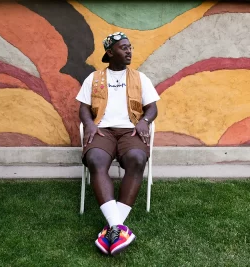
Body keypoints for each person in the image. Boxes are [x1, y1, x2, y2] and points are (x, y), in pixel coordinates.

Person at [76, 32, 160, 256]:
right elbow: (83, 108)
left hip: (130, 129)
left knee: (137, 158)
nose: (129, 51)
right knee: (95, 159)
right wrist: (90, 125)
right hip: (102, 130)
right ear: (110, 52)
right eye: (124, 48)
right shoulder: (93, 78)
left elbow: (152, 107)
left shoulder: (140, 78)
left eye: (130, 47)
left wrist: (144, 121)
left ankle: (113, 227)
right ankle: (118, 227)